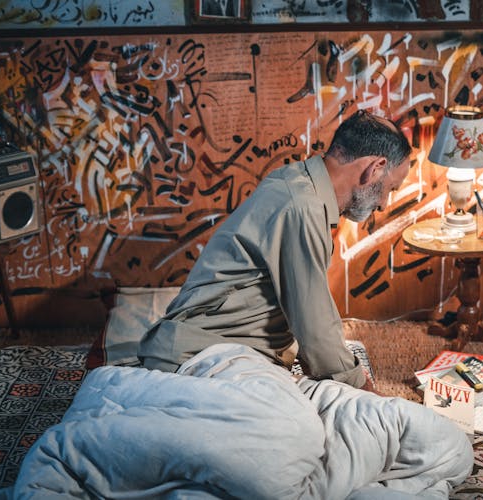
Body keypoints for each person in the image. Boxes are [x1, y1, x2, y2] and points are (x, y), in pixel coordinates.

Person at [138, 110, 412, 392]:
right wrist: (364, 391)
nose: (383, 203)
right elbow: (316, 330)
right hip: (199, 353)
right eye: (390, 189)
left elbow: (311, 310)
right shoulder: (303, 207)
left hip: (213, 342)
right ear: (375, 168)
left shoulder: (296, 179)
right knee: (301, 428)